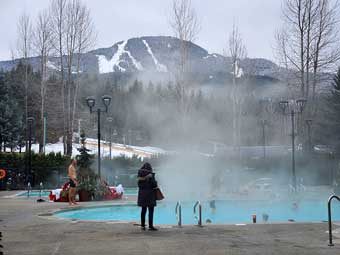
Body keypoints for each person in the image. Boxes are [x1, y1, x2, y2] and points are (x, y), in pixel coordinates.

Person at [137, 162, 158, 231]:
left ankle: (143, 226)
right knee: (151, 211)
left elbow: (139, 185)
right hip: (150, 195)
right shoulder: (151, 175)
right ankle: (150, 226)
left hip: (142, 195)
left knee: (143, 210)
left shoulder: (140, 175)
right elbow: (154, 185)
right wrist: (155, 182)